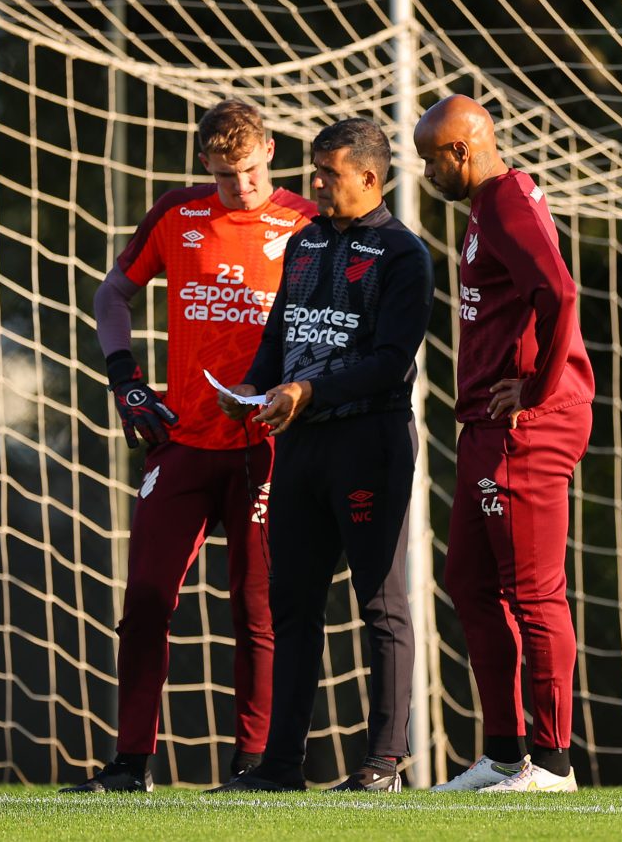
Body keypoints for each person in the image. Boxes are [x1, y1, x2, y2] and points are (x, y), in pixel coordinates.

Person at [61, 100, 317, 793]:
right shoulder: (178, 213)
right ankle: (130, 764)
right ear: (206, 163)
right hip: (183, 441)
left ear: (270, 148)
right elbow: (114, 292)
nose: (242, 187)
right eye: (228, 174)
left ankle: (253, 765)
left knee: (256, 605)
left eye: (252, 169)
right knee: (145, 595)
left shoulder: (305, 221)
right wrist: (128, 383)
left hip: (266, 444)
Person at [210, 117, 434, 793]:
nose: (315, 184)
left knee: (381, 605)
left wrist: (309, 389)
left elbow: (393, 363)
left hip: (369, 442)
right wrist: (254, 383)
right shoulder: (305, 239)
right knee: (292, 602)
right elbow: (283, 328)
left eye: (328, 173)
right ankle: (281, 767)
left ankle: (383, 764)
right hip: (300, 444)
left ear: (369, 177)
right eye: (314, 170)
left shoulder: (404, 254)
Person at [413, 94, 595, 793]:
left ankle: (552, 763)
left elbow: (561, 294)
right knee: (468, 579)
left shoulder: (509, 200)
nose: (427, 171)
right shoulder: (487, 207)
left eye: (433, 158)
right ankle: (504, 752)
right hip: (487, 425)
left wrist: (539, 390)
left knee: (535, 591)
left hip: (526, 426)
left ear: (462, 150)